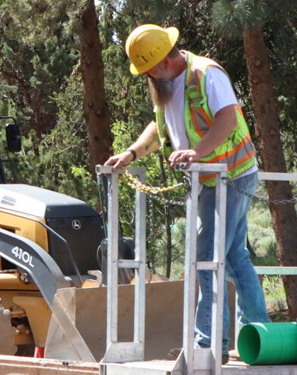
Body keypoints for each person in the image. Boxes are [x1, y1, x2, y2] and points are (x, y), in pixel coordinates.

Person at [103, 24, 266, 353]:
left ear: (163, 61)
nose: (146, 76)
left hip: (230, 174)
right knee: (233, 257)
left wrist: (198, 151)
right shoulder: (166, 86)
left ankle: (207, 344)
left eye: (147, 70)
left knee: (206, 257)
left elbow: (228, 119)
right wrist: (132, 153)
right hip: (210, 179)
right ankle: (258, 334)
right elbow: (159, 124)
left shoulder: (206, 74)